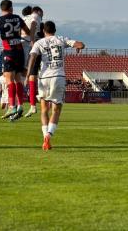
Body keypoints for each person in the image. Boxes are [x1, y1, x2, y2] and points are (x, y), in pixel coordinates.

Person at [26, 21, 85, 151]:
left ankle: (44, 137)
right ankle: (49, 135)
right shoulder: (61, 39)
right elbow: (81, 44)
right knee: (56, 109)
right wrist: (79, 47)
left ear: (43, 31)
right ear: (55, 30)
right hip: (58, 77)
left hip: (44, 77)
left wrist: (28, 75)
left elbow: (32, 57)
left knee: (44, 109)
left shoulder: (39, 42)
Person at [0, 0, 30, 120]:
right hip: (20, 52)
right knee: (18, 79)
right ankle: (20, 105)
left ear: (1, 9)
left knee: (9, 80)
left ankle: (12, 106)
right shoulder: (17, 18)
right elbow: (27, 31)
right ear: (11, 8)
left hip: (9, 52)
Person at [21, 5, 44, 118]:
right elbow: (34, 24)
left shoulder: (24, 18)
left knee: (26, 75)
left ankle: (25, 105)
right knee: (31, 76)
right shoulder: (36, 16)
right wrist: (32, 40)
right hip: (30, 45)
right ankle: (32, 104)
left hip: (20, 45)